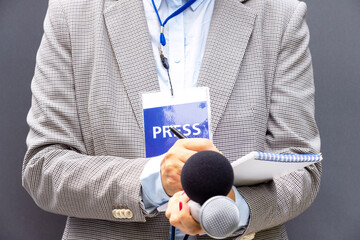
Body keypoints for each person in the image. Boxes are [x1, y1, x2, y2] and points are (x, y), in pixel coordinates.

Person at [22, 0, 322, 239]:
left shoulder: (281, 15)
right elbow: (43, 166)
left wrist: (229, 211)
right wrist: (153, 179)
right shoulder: (72, 13)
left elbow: (301, 165)